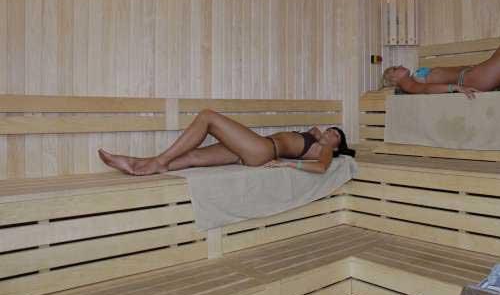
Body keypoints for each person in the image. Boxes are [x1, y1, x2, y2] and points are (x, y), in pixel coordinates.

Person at [98, 109, 355, 176]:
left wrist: (287, 165)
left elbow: (321, 168)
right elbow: (312, 132)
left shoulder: (325, 151)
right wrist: (315, 132)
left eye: (336, 134)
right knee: (193, 157)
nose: (331, 131)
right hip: (251, 151)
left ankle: (156, 162)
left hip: (264, 150)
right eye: (331, 129)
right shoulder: (315, 136)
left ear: (337, 146)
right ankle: (137, 164)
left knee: (207, 117)